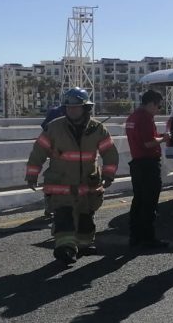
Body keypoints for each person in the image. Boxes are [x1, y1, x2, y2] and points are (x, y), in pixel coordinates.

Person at [25, 87, 119, 265]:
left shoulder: (98, 129)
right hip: (60, 184)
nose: (71, 110)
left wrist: (108, 174)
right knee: (64, 217)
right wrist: (32, 175)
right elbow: (38, 152)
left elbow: (110, 154)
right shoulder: (54, 127)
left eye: (75, 107)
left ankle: (83, 245)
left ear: (86, 108)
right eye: (68, 107)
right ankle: (65, 249)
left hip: (88, 185)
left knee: (85, 218)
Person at [125, 90, 170, 250]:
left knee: (138, 201)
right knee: (149, 203)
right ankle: (148, 237)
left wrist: (159, 136)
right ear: (151, 103)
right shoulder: (144, 118)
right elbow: (148, 143)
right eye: (158, 106)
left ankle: (135, 236)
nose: (159, 109)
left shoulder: (133, 117)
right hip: (148, 164)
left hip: (137, 163)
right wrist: (163, 139)